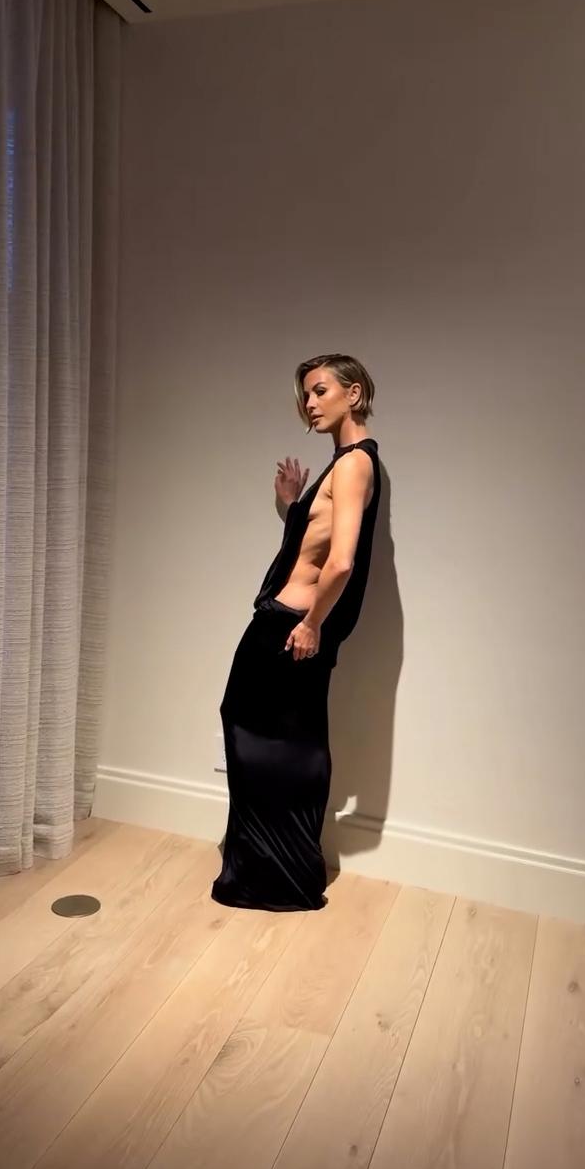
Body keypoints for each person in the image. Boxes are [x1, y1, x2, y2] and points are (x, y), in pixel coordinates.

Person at [211, 354, 381, 911]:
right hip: (289, 622)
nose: (309, 403)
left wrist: (312, 623)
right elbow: (315, 544)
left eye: (320, 390)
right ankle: (280, 868)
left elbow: (341, 562)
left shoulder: (354, 464)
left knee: (269, 734)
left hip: (291, 626)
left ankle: (272, 872)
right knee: (285, 737)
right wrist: (293, 505)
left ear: (353, 394)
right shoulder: (345, 464)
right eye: (305, 394)